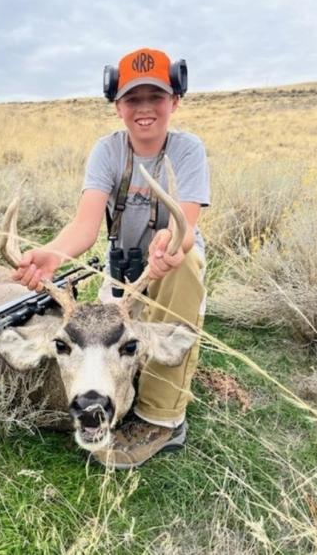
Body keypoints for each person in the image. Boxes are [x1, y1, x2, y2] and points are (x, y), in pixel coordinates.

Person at [12, 47, 210, 468]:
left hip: (174, 270)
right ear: (117, 105)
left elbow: (185, 228)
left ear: (174, 101)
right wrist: (50, 256)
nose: (144, 109)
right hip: (123, 276)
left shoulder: (187, 150)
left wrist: (168, 245)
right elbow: (84, 228)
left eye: (155, 97)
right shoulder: (108, 151)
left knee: (183, 262)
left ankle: (162, 418)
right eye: (132, 99)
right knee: (100, 340)